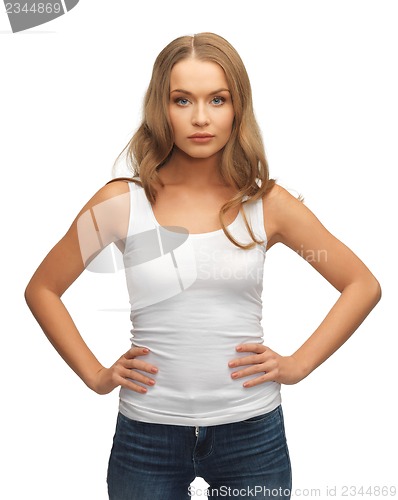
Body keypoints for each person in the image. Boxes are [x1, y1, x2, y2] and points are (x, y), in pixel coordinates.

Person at [24, 32, 381, 500]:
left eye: (217, 99)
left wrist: (298, 365)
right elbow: (43, 289)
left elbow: (361, 284)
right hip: (147, 434)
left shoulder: (266, 204)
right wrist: (95, 376)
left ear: (238, 108)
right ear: (160, 107)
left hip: (252, 433)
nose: (200, 118)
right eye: (181, 100)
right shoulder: (120, 204)